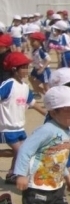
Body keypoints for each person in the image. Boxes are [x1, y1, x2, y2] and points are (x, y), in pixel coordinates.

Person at [1, 52, 47, 184]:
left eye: (27, 67)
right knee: (21, 151)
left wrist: (47, 113)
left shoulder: (25, 87)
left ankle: (11, 173)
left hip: (19, 127)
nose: (27, 70)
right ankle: (16, 174)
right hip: (7, 127)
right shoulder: (8, 84)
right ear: (14, 69)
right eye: (24, 67)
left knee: (25, 150)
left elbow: (32, 103)